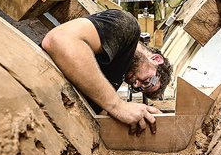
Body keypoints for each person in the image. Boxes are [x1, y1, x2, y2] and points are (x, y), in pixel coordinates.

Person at [41, 9, 173, 135]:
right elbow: (58, 39)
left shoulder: (112, 79)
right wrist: (117, 105)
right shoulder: (127, 28)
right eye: (147, 81)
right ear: (156, 59)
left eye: (138, 89)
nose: (136, 85)